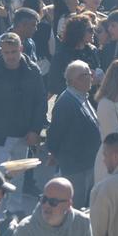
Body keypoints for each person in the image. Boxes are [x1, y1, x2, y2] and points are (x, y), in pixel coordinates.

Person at [0, 33, 48, 169]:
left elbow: (40, 102)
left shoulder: (32, 71)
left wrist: (35, 130)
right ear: (1, 51)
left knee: (18, 178)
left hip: (24, 135)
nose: (10, 56)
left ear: (21, 49)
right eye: (6, 52)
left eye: (14, 51)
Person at [45, 61, 102, 207]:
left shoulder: (82, 97)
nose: (91, 77)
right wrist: (54, 154)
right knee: (76, 206)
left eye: (90, 74)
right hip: (76, 167)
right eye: (86, 75)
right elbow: (55, 133)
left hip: (87, 164)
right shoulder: (66, 103)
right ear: (74, 80)